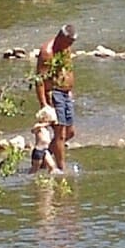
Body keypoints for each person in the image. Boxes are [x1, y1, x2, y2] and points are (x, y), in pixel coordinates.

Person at [35, 24, 77, 161]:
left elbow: (67, 69)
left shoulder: (65, 49)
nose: (70, 45)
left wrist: (70, 90)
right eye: (69, 42)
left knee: (70, 132)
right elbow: (40, 79)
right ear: (61, 37)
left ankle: (43, 156)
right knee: (60, 134)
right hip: (54, 94)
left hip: (66, 94)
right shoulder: (47, 52)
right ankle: (60, 169)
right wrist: (44, 104)